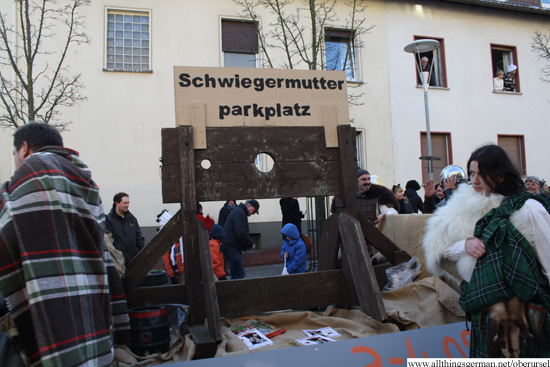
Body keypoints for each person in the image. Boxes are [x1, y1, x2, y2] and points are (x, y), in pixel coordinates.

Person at [0, 122, 130, 366]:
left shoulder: (33, 173)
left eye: (14, 153)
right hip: (90, 296)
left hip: (50, 303)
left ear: (24, 149)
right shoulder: (85, 183)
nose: (16, 160)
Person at [423, 144, 550, 358]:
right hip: (483, 311)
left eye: (482, 174)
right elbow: (440, 249)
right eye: (472, 173)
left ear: (501, 176)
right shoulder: (462, 206)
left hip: (524, 313)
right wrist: (465, 245)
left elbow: (548, 259)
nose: (474, 181)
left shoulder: (529, 208)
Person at [220, 200, 260, 279]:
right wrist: (250, 244)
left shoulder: (239, 211)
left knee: (237, 273)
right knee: (239, 274)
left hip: (230, 246)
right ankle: (237, 291)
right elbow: (241, 233)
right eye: (254, 211)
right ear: (249, 206)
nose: (253, 213)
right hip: (231, 247)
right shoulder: (240, 213)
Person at [105, 192, 145, 264]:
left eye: (128, 203)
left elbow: (138, 237)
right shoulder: (109, 220)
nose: (127, 205)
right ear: (117, 204)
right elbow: (109, 242)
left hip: (133, 260)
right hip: (118, 261)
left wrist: (144, 254)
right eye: (125, 203)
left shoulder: (132, 219)